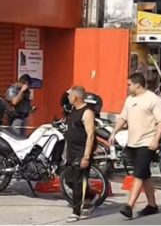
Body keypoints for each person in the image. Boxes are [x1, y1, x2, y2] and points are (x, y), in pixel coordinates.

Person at [109, 72, 161, 219]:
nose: (127, 87)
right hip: (132, 142)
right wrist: (114, 132)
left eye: (129, 85)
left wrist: (155, 140)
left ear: (137, 84)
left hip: (147, 143)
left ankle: (129, 206)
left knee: (138, 174)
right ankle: (152, 205)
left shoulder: (154, 100)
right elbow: (122, 118)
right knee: (144, 173)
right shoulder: (129, 100)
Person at [63, 86, 99, 223]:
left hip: (81, 153)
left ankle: (76, 212)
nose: (68, 97)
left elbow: (90, 135)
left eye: (70, 95)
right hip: (71, 152)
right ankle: (92, 196)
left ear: (76, 98)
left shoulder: (87, 112)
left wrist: (86, 156)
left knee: (78, 182)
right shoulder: (73, 111)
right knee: (68, 179)